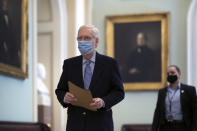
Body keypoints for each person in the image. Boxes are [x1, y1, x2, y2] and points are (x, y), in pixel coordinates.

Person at [55, 25, 125, 131]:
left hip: (100, 125)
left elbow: (119, 92)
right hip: (75, 125)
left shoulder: (110, 64)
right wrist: (65, 97)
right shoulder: (69, 64)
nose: (82, 41)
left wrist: (103, 101)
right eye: (80, 38)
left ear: (96, 41)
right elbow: (60, 90)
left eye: (87, 38)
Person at [152, 65, 197, 131]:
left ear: (179, 74)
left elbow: (195, 111)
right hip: (166, 127)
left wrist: (194, 128)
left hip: (183, 127)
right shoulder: (162, 92)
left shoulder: (189, 90)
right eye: (168, 74)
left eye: (172, 73)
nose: (170, 75)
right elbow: (158, 112)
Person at [0, 0, 20, 67]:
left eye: (6, 1)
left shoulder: (8, 15)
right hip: (3, 45)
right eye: (4, 1)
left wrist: (17, 49)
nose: (5, 3)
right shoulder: (1, 15)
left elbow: (12, 33)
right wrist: (3, 43)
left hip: (11, 45)